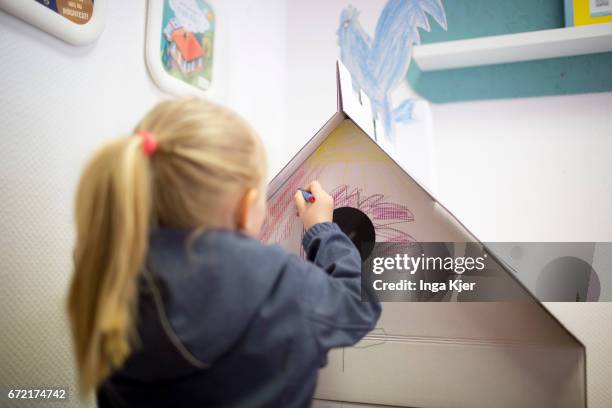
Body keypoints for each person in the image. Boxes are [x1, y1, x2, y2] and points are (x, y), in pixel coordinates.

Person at [67, 98, 381, 407]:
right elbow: (357, 305)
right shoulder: (281, 285)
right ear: (246, 208)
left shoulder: (108, 272)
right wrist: (322, 229)